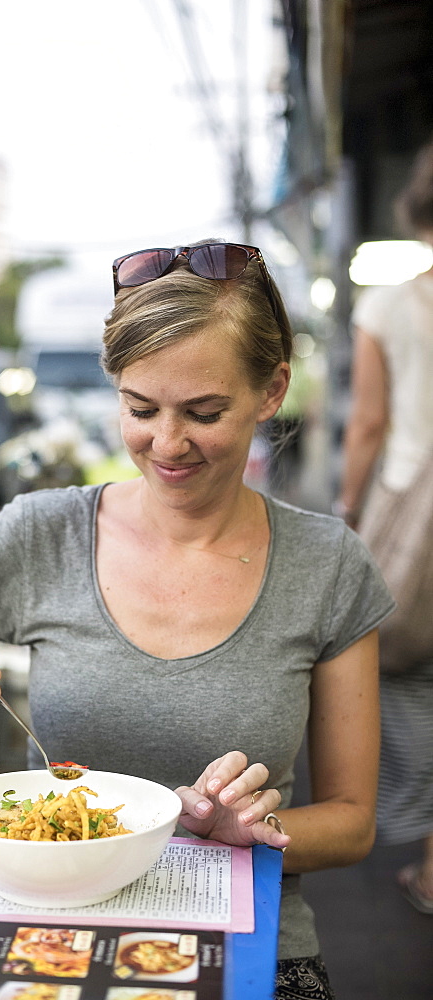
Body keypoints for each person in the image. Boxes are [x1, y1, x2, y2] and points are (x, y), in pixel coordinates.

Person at [0, 240, 394, 999]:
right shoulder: (37, 534)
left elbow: (352, 824)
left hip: (248, 950)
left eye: (205, 412)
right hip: (37, 944)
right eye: (140, 409)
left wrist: (239, 832)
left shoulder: (328, 563)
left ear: (272, 390)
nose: (168, 444)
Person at [337, 141, 433, 916]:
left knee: (408, 674)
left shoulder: (389, 305)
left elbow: (368, 422)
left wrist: (348, 506)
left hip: (411, 515)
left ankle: (430, 857)